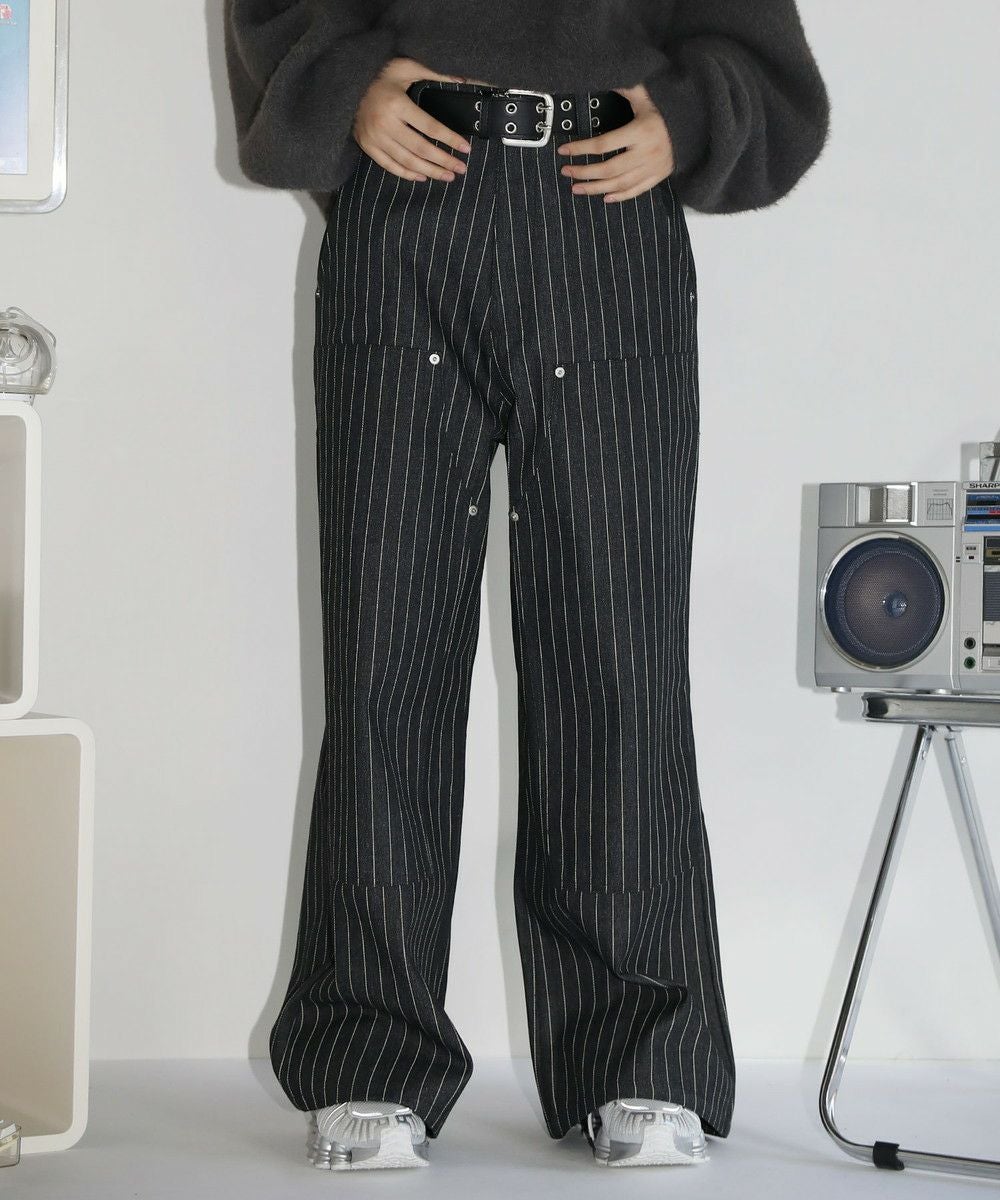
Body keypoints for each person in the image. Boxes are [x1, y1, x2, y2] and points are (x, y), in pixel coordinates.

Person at [224, 0, 830, 1172]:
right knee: (385, 653)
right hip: (406, 213)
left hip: (606, 217)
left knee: (615, 655)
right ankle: (368, 1056)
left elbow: (756, 41)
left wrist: (691, 113)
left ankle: (640, 1057)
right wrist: (347, 84)